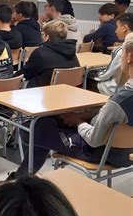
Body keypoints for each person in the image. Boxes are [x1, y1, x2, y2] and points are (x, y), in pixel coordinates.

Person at [12, 32, 133, 177]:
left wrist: (78, 122)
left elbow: (94, 140)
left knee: (31, 129)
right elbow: (114, 117)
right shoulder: (122, 98)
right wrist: (88, 115)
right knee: (46, 125)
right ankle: (22, 178)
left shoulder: (120, 101)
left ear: (129, 57)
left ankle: (21, 180)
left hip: (101, 152)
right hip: (127, 153)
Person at [21, 20, 79, 88]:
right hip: (66, 93)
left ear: (47, 37)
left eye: (43, 33)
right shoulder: (72, 53)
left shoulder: (40, 53)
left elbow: (26, 73)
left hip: (41, 93)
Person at [95, 13, 133, 95]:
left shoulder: (121, 51)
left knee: (90, 81)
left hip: (115, 88)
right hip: (128, 88)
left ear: (124, 28)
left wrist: (94, 75)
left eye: (117, 27)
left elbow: (106, 74)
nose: (115, 31)